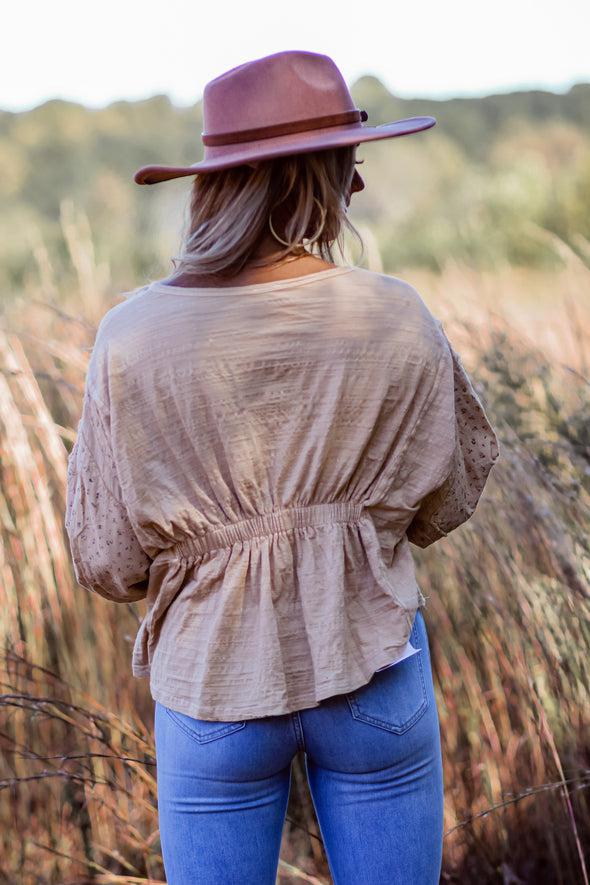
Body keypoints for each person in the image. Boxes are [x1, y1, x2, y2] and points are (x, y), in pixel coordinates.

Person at [66, 51, 498, 885]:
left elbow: (109, 560)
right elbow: (447, 496)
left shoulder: (129, 337)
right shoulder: (397, 313)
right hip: (373, 661)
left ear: (213, 184)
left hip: (212, 680)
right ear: (332, 177)